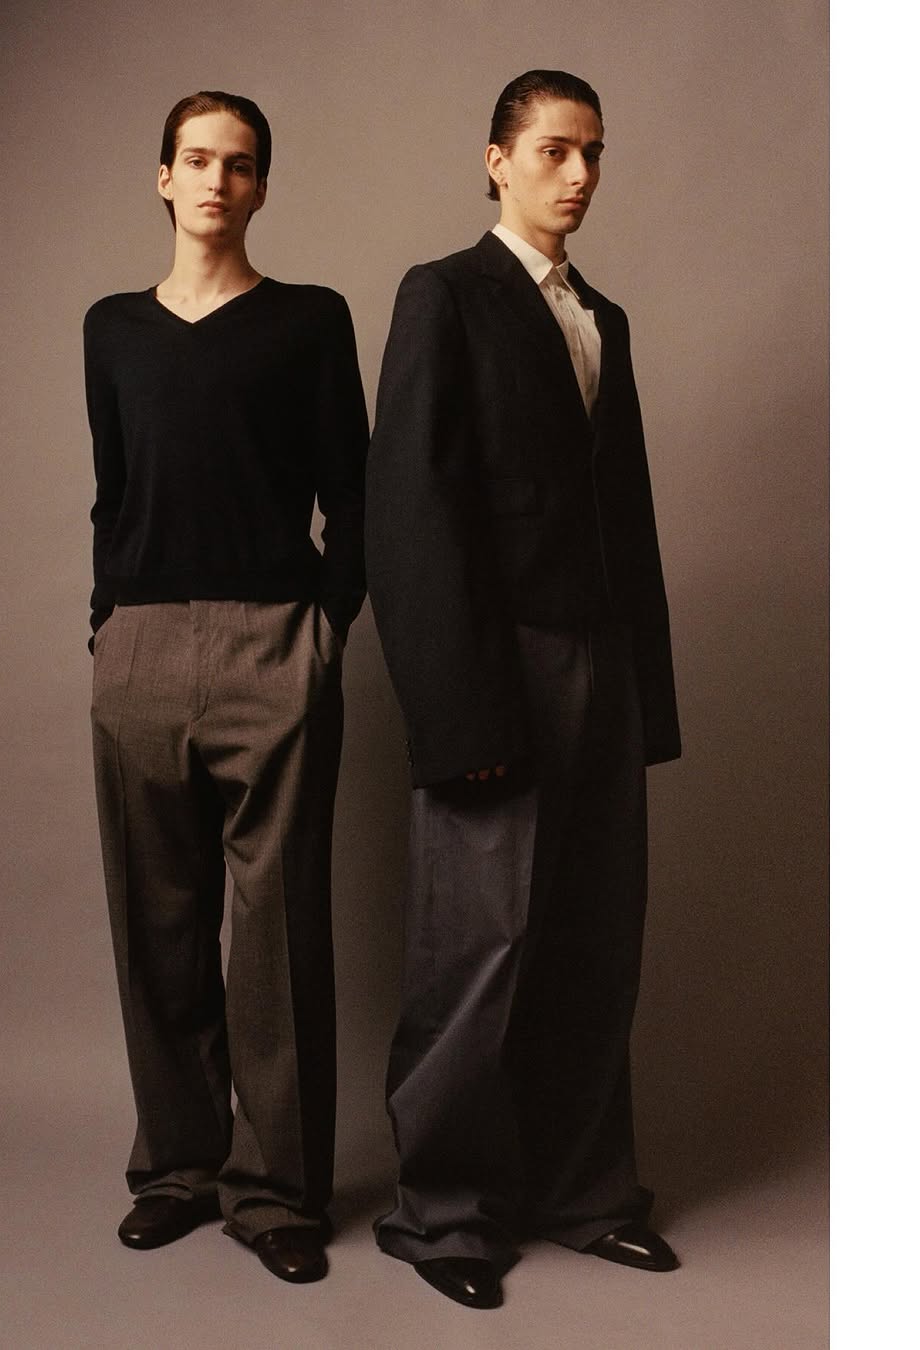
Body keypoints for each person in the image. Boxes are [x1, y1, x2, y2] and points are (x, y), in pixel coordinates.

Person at [365, 69, 682, 1310]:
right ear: (497, 160)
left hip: (600, 667)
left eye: (594, 151)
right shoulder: (444, 294)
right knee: (477, 947)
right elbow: (410, 515)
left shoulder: (605, 316)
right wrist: (459, 715)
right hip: (496, 672)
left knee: (594, 940)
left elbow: (626, 517)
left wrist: (645, 698)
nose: (581, 174)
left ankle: (586, 1195)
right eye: (555, 149)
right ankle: (443, 1215)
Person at [84, 90, 367, 1285]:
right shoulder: (111, 328)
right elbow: (113, 491)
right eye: (196, 159)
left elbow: (352, 493)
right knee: (156, 925)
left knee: (277, 932)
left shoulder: (309, 319)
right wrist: (107, 624)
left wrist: (324, 630)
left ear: (261, 188)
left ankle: (277, 1191)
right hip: (139, 648)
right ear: (163, 176)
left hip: (273, 643)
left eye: (239, 164)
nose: (215, 180)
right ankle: (177, 1170)